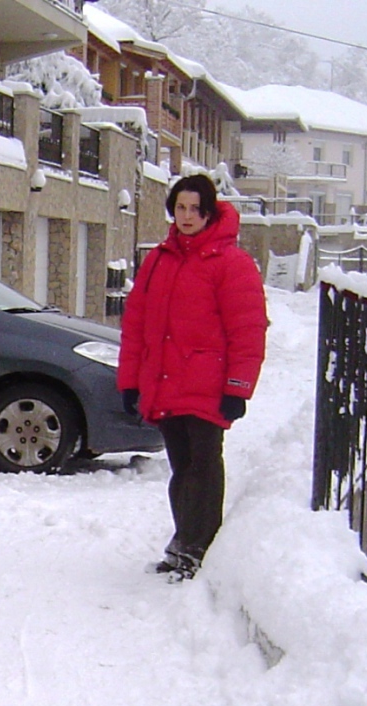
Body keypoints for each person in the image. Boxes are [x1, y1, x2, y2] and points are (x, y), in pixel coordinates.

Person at [118, 173, 268, 580]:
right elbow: (136, 326)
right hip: (166, 382)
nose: (187, 216)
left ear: (208, 213)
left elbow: (247, 330)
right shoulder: (158, 261)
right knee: (182, 468)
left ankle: (197, 548)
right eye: (180, 208)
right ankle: (184, 542)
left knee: (203, 467)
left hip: (208, 386)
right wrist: (130, 381)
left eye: (195, 209)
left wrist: (237, 388)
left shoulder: (232, 264)